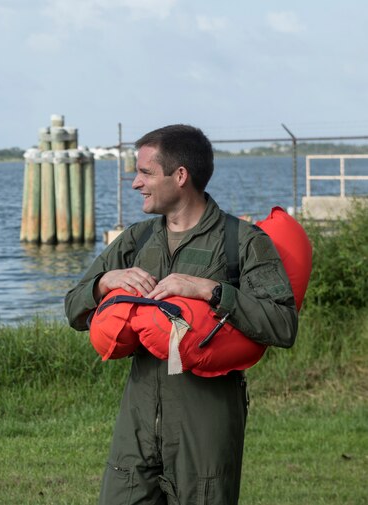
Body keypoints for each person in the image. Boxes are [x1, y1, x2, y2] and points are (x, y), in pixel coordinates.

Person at [64, 124, 298, 504]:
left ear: (180, 176)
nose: (135, 183)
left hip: (205, 426)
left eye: (145, 172)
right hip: (137, 421)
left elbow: (284, 325)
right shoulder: (137, 240)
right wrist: (104, 281)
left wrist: (212, 291)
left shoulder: (242, 242)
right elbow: (73, 307)